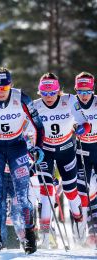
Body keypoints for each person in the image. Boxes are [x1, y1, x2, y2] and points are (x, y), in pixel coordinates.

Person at [0, 67, 45, 255]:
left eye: (4, 87)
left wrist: (37, 147)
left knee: (21, 195)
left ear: (11, 84)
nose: (1, 91)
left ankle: (29, 236)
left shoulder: (22, 99)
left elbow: (39, 126)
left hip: (17, 146)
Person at [33, 72, 91, 248]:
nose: (48, 97)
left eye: (52, 93)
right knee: (46, 190)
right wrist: (31, 147)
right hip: (45, 151)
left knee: (70, 190)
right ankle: (44, 234)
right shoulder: (35, 106)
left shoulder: (69, 100)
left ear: (58, 91)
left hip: (66, 150)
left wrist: (82, 129)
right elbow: (27, 130)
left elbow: (86, 123)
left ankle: (79, 221)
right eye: (44, 93)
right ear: (39, 92)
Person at [73, 71, 97, 245]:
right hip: (81, 149)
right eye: (81, 91)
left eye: (87, 91)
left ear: (92, 89)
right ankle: (85, 231)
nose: (84, 95)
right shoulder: (72, 104)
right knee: (83, 190)